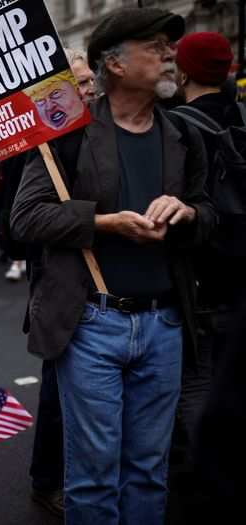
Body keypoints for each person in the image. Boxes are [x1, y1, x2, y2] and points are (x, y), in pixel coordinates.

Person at [11, 8, 217, 524]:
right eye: (155, 46)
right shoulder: (68, 133)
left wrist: (189, 212)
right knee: (95, 477)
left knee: (149, 472)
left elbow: (211, 212)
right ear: (115, 63)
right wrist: (105, 223)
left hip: (166, 323)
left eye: (170, 47)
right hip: (91, 324)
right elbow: (26, 217)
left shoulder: (184, 135)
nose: (170, 55)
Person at [166, 31, 246, 524]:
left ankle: (205, 476)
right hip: (240, 270)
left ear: (185, 72)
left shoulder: (175, 126)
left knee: (195, 378)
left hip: (198, 271)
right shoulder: (240, 119)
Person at [27, 48, 97, 518]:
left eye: (93, 80)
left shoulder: (102, 131)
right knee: (56, 390)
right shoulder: (40, 147)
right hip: (58, 286)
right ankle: (46, 479)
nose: (90, 88)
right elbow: (21, 222)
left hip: (103, 287)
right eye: (82, 81)